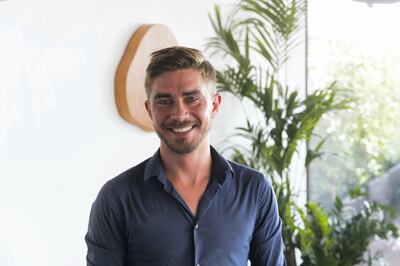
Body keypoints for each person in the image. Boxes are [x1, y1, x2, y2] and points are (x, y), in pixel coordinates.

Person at [85, 46, 285, 266]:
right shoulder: (116, 199)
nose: (179, 114)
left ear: (215, 105)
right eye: (164, 101)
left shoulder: (254, 190)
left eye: (192, 99)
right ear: (149, 110)